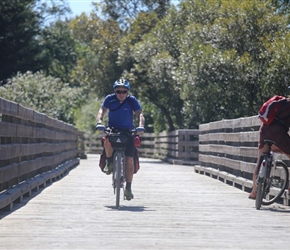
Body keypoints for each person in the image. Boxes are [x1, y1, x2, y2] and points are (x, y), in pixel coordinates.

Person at [95, 79, 145, 201]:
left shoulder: (131, 100)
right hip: (113, 128)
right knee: (107, 140)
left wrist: (141, 125)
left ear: (127, 92)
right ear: (115, 91)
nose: (121, 94)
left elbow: (139, 114)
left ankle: (128, 188)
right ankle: (109, 162)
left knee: (129, 160)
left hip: (128, 131)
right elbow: (101, 111)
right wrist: (99, 122)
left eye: (124, 91)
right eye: (118, 91)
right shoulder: (109, 99)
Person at [249, 97, 290, 199]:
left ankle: (254, 191)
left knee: (260, 160)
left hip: (264, 131)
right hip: (278, 133)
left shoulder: (280, 103)